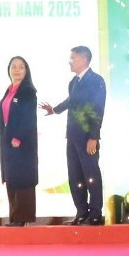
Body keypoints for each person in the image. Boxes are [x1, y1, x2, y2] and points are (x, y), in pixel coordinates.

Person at [39, 46, 107, 226]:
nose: (69, 62)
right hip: (72, 135)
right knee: (75, 176)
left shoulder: (96, 81)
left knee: (91, 175)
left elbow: (98, 109)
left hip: (87, 137)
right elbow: (71, 100)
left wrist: (94, 137)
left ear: (84, 59)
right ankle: (82, 212)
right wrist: (54, 110)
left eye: (72, 58)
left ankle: (95, 214)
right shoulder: (74, 82)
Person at [0, 56, 38, 227]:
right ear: (9, 70)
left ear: (26, 71)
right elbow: (3, 107)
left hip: (22, 143)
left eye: (21, 67)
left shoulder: (28, 91)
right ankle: (15, 217)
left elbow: (28, 117)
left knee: (23, 178)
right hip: (8, 141)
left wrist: (18, 137)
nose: (17, 70)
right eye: (14, 66)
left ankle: (22, 218)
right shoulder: (10, 89)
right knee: (12, 177)